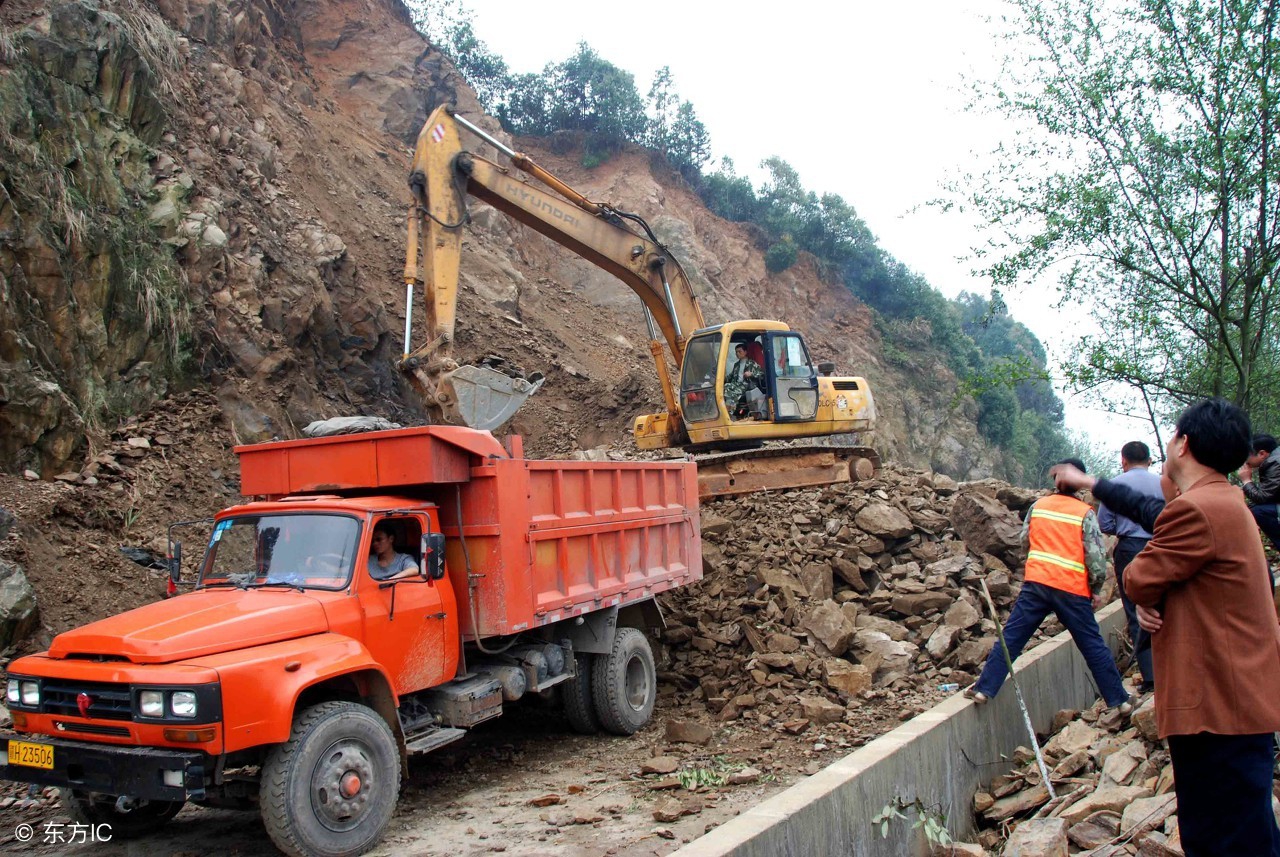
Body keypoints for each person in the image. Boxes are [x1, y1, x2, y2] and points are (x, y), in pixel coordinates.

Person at [1052, 399, 1280, 857]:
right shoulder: (1225, 499)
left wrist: (1149, 595)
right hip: (1237, 704)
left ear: (1184, 444)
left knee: (1223, 838)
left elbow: (1138, 576)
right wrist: (1092, 483)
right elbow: (1151, 514)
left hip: (1218, 709)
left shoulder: (1197, 510)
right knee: (1247, 831)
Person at [965, 458, 1130, 713]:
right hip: (1072, 589)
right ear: (1079, 483)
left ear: (1055, 479)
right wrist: (1096, 589)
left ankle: (984, 689)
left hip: (1037, 584)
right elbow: (1096, 558)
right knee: (1092, 645)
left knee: (1011, 639)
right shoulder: (1084, 513)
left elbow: (1025, 541)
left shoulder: (1039, 506)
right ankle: (1119, 700)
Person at [1096, 440, 1163, 693]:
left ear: (1123, 460)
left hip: (1130, 549)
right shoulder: (1163, 483)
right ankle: (1173, 667)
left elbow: (1105, 523)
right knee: (1167, 605)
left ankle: (1151, 676)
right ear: (1149, 460)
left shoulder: (1115, 486)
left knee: (1136, 609)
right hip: (1162, 546)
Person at [1239, 433, 1280, 550]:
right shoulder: (1275, 459)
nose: (1246, 460)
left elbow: (1262, 497)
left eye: (1247, 455)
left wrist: (1246, 481)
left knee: (1258, 511)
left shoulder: (1275, 464)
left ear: (1262, 453)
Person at [722, 344, 762, 419]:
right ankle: (730, 411)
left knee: (728, 387)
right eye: (736, 352)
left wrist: (751, 374)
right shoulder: (736, 365)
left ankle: (729, 411)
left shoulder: (752, 363)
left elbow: (761, 374)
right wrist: (720, 378)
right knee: (726, 389)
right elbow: (730, 376)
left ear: (745, 352)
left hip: (747, 385)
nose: (737, 353)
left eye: (739, 351)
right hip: (736, 385)